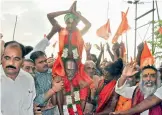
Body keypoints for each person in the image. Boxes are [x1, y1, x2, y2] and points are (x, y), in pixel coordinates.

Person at [1, 41, 36, 115]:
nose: (11, 63)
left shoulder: (29, 79)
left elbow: (29, 109)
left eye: (16, 59)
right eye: (7, 58)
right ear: (2, 58)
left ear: (22, 61)